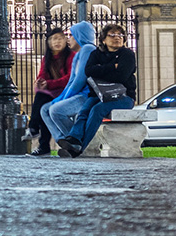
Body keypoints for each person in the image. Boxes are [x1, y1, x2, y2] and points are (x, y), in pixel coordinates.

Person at [57, 24, 137, 157]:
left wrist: (100, 70)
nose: (117, 38)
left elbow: (121, 77)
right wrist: (112, 66)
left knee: (97, 109)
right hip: (98, 95)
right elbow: (89, 72)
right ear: (104, 40)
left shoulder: (127, 54)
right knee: (83, 111)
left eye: (120, 35)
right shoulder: (96, 54)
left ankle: (80, 148)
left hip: (124, 97)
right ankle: (74, 139)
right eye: (112, 35)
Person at [39, 21, 99, 154]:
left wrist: (63, 99)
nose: (68, 39)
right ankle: (65, 142)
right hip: (78, 95)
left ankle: (79, 143)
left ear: (80, 35)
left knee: (56, 110)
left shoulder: (88, 49)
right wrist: (61, 97)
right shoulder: (78, 54)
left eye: (71, 35)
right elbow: (71, 81)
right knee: (45, 109)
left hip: (87, 96)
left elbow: (80, 80)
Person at [24, 28, 74, 156]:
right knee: (43, 106)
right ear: (48, 42)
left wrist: (49, 84)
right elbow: (43, 75)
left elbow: (70, 78)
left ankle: (34, 129)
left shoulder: (71, 56)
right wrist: (39, 82)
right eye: (53, 39)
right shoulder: (47, 58)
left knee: (42, 102)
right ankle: (43, 145)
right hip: (52, 93)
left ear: (65, 40)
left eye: (60, 38)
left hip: (67, 92)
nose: (57, 41)